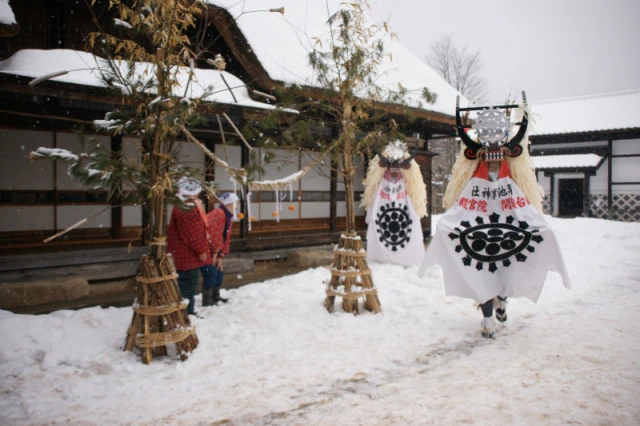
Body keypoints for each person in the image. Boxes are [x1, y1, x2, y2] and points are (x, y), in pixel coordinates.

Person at [419, 95, 571, 338]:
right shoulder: (471, 179)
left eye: (498, 154)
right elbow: (461, 206)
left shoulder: (514, 179)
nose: (492, 159)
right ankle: (488, 317)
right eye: (486, 155)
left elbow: (522, 205)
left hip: (506, 228)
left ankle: (502, 299)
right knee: (481, 272)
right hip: (478, 231)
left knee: (506, 268)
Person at [360, 140, 427, 266]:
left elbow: (414, 196)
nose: (394, 167)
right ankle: (380, 255)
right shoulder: (379, 181)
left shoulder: (409, 183)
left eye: (398, 163)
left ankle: (407, 256)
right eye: (391, 163)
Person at [167, 177, 212, 316]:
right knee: (188, 284)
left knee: (187, 284)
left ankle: (186, 311)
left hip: (183, 254)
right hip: (187, 256)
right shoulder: (187, 208)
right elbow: (192, 234)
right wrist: (201, 250)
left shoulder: (184, 205)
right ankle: (186, 313)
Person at [201, 192, 237, 306]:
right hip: (207, 249)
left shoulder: (228, 216)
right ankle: (207, 300)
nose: (236, 205)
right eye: (234, 203)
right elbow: (214, 233)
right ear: (229, 203)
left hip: (216, 250)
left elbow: (226, 237)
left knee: (219, 272)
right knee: (210, 272)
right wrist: (215, 252)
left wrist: (220, 255)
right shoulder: (219, 213)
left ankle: (215, 296)